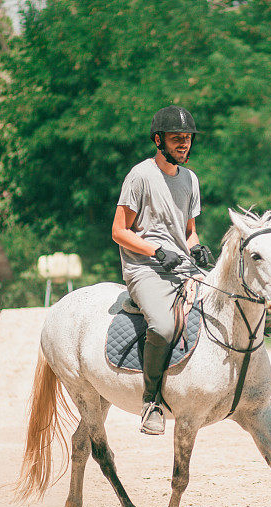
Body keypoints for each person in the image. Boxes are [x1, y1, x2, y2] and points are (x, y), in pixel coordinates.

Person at [111, 105, 214, 435]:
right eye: (176, 139)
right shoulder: (140, 177)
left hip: (181, 267)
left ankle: (243, 390)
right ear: (159, 140)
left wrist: (195, 246)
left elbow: (188, 230)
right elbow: (119, 231)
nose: (184, 144)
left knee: (228, 305)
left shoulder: (190, 179)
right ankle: (150, 402)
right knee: (165, 325)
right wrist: (156, 250)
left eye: (187, 139)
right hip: (145, 269)